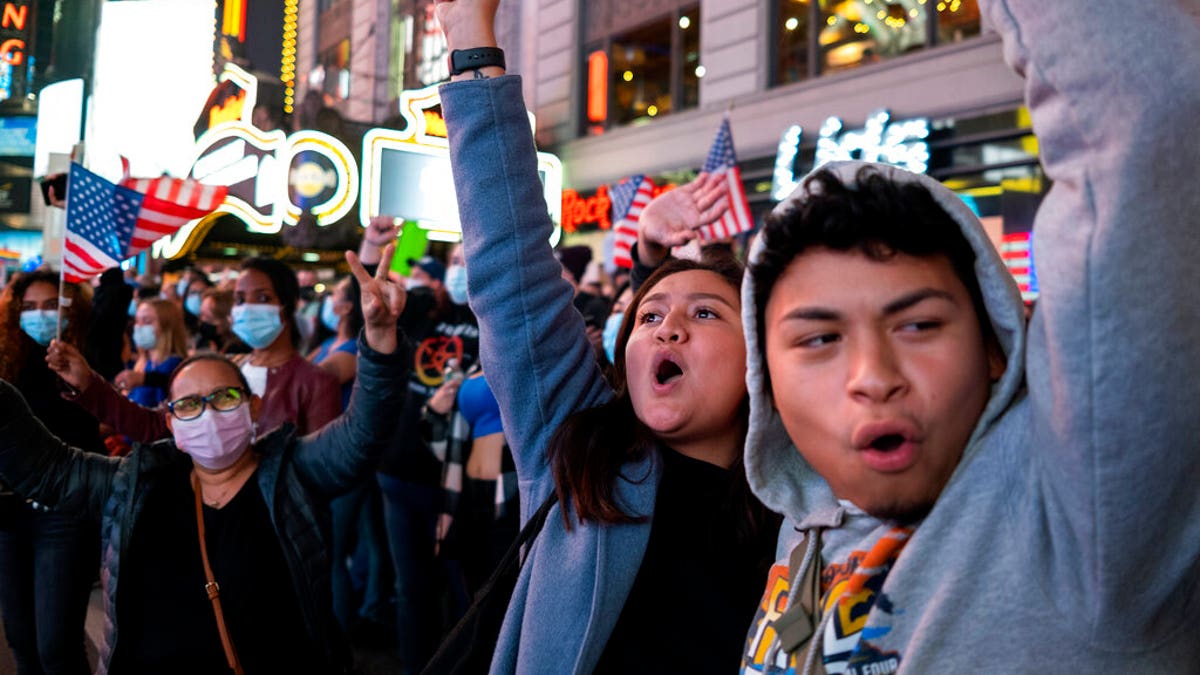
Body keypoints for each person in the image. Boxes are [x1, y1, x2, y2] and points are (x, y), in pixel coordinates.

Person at [738, 0, 1200, 671]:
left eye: (920, 324)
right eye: (818, 340)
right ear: (768, 385)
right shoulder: (804, 522)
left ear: (994, 346)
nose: (873, 373)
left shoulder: (1085, 519)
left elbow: (1149, 114)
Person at [435, 3, 780, 671]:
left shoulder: (810, 503)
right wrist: (473, 41)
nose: (668, 325)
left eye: (707, 314)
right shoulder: (579, 450)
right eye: (649, 317)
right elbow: (513, 267)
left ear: (761, 360)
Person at [0, 245, 409, 674]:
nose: (209, 413)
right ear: (172, 423)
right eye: (190, 404)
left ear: (252, 407)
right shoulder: (136, 483)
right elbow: (51, 471)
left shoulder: (293, 474)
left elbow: (361, 436)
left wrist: (380, 341)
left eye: (224, 397)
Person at [49, 258, 342, 446]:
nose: (247, 307)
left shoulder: (314, 383)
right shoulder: (224, 369)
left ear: (287, 305)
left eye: (262, 297)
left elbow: (322, 470)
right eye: (240, 299)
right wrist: (88, 383)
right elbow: (155, 425)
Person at [358, 224, 480, 673]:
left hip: (461, 486)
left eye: (470, 263)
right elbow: (372, 310)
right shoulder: (426, 307)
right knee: (413, 591)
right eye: (455, 262)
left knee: (467, 594)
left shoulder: (496, 322)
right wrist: (373, 251)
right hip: (400, 474)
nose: (460, 272)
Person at [0, 271, 101, 675]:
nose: (39, 315)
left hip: (65, 511)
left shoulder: (89, 355)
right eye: (29, 308)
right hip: (9, 511)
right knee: (20, 638)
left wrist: (85, 379)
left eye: (50, 307)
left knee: (56, 646)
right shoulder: (7, 360)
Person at [117, 299, 188, 407]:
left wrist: (145, 379)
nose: (139, 327)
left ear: (167, 326)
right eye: (137, 321)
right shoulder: (146, 363)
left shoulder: (174, 364)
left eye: (147, 322)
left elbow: (166, 381)